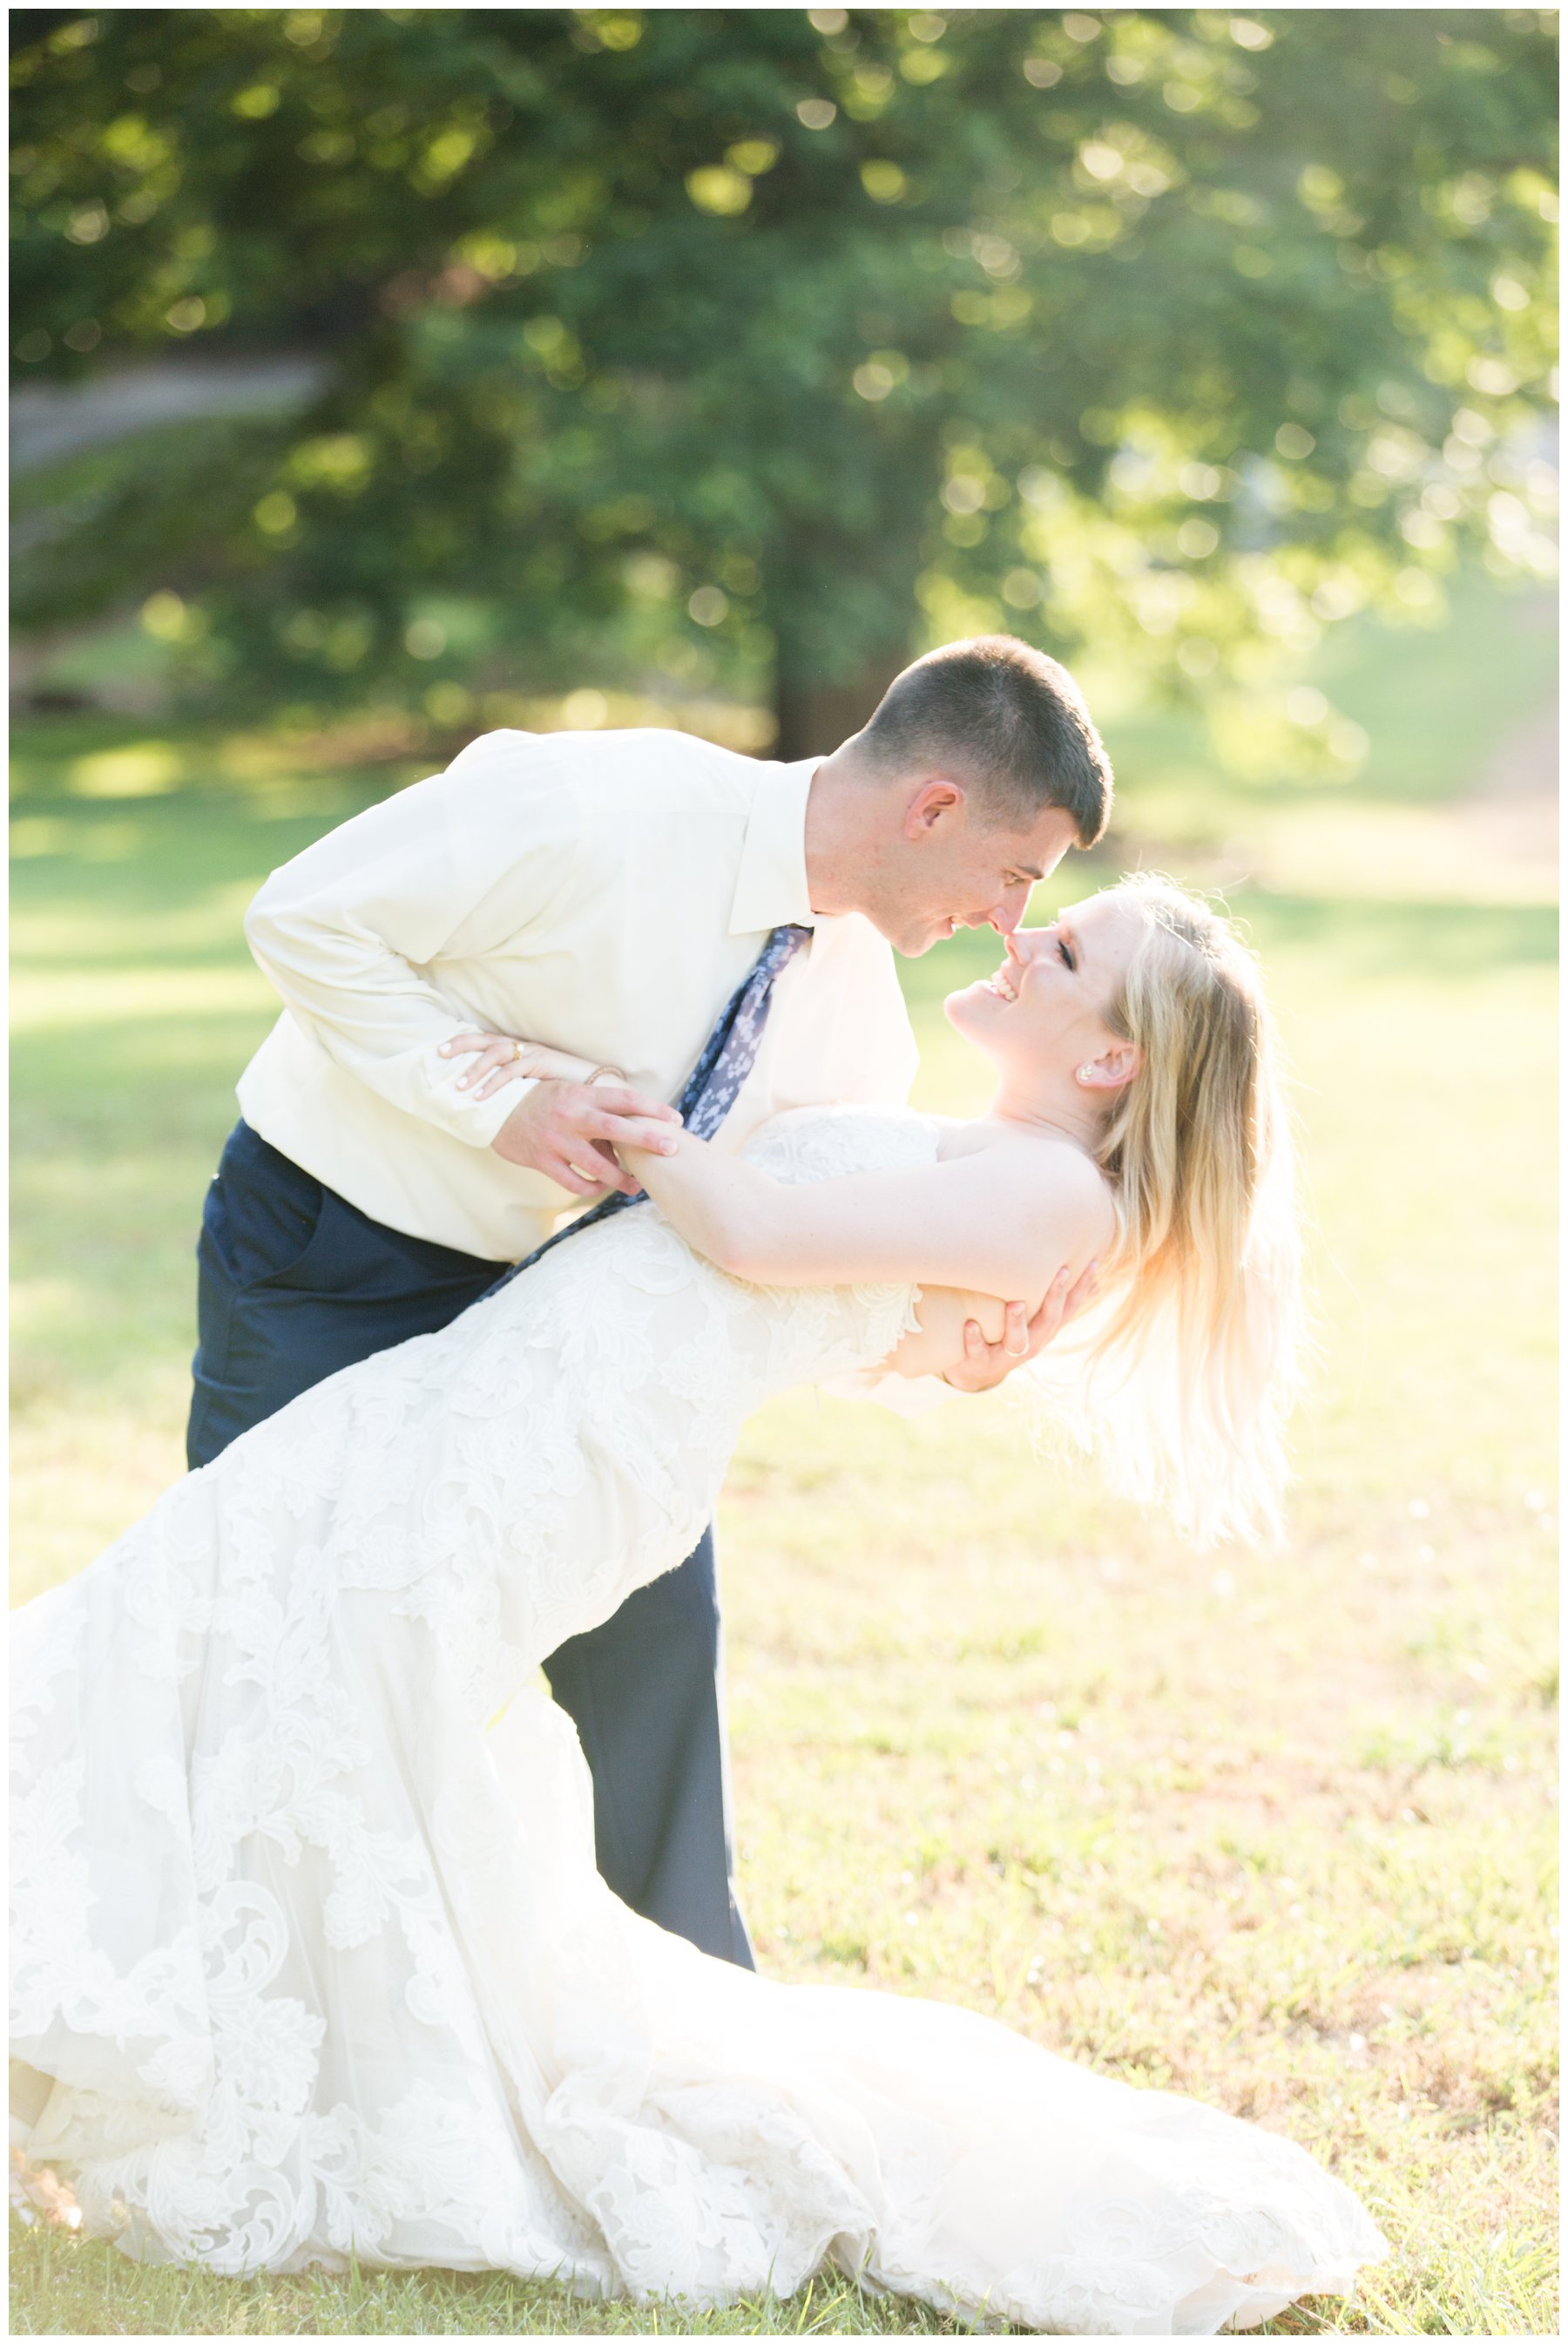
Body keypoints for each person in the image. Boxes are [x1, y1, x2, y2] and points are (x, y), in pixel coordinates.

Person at [11, 875, 1387, 2330]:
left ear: (1111, 1058)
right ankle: (141, 2030)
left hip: (565, 1437)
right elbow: (853, 1312)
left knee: (274, 1646)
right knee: (235, 1615)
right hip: (529, 1390)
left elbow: (759, 1244)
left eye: (1059, 950)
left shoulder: (1057, 1190)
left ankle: (210, 2064)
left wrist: (625, 1124)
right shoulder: (1011, 1163)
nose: (1016, 940)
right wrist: (946, 1345)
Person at [184, 633, 1111, 1968]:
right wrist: (505, 1100)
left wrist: (953, 1354)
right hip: (333, 1243)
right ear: (933, 809)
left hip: (587, 1328)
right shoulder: (593, 808)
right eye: (1018, 873)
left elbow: (794, 1255)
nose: (1014, 918)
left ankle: (692, 2031)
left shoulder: (854, 1010)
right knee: (266, 1621)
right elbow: (304, 915)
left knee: (656, 1638)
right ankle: (231, 1992)